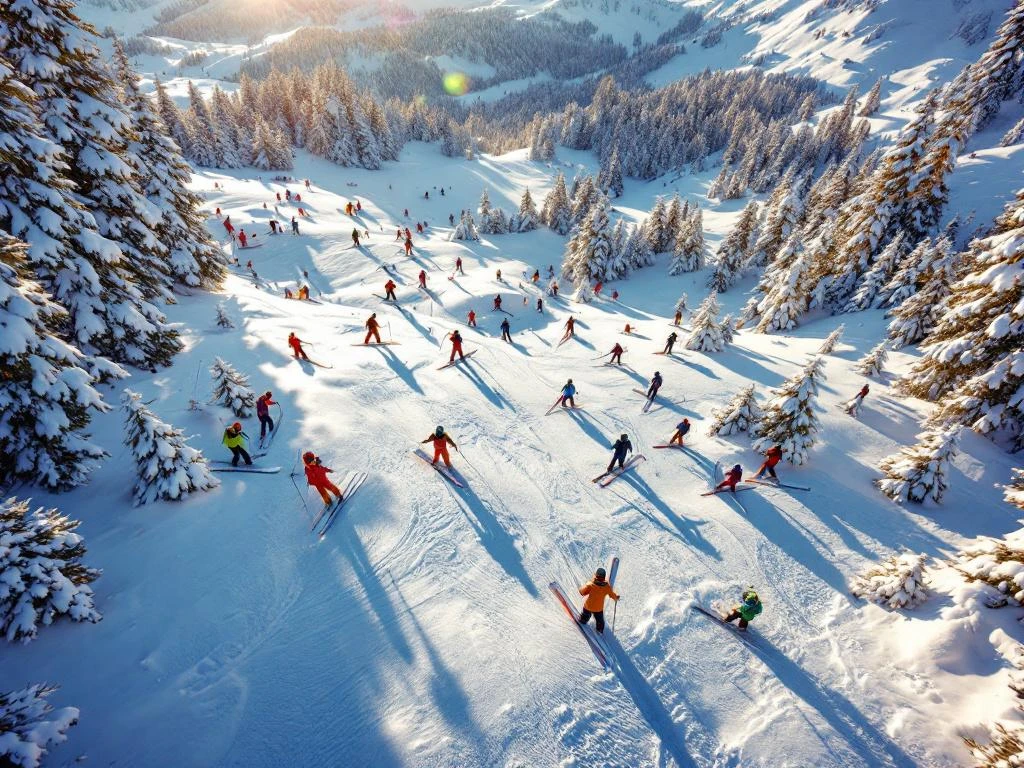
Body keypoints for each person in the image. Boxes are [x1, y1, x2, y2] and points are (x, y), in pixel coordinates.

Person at [578, 567, 619, 635]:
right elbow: (612, 595)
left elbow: (582, 592)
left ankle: (583, 620)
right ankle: (599, 631)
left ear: (596, 575)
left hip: (588, 606)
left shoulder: (590, 584)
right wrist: (616, 597)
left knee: (585, 616)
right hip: (598, 609)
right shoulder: (607, 587)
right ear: (604, 577)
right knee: (600, 622)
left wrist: (582, 589)